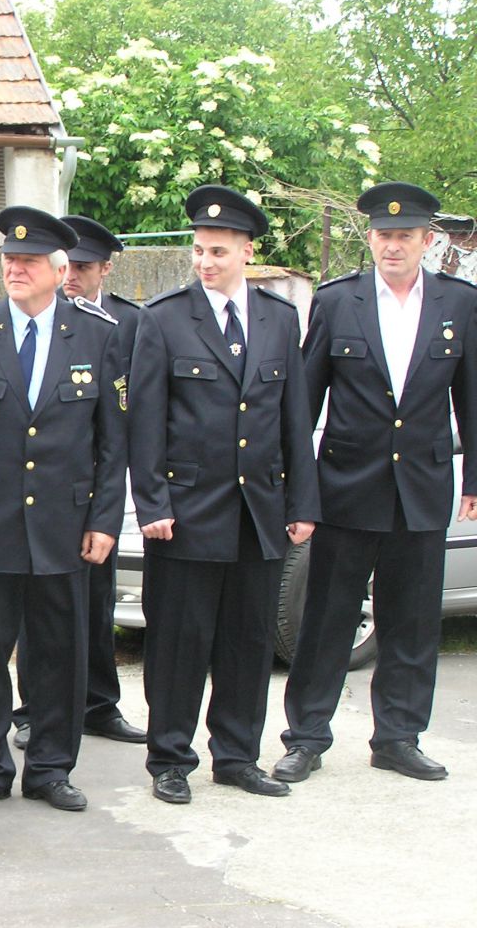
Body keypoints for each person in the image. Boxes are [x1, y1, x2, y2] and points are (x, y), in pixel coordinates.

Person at [275, 182, 477, 784]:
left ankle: (398, 737)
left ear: (427, 240)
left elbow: (471, 398)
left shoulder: (459, 303)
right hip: (346, 486)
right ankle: (306, 737)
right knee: (327, 620)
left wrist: (474, 479)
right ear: (370, 238)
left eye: (405, 236)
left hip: (422, 486)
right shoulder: (339, 301)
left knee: (412, 621)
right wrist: (298, 488)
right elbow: (303, 403)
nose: (394, 246)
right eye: (385, 236)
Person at [129, 185, 319, 805]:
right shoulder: (163, 317)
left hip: (258, 512)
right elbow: (145, 422)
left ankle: (236, 755)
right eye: (199, 250)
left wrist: (302, 503)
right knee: (178, 643)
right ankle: (170, 759)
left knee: (248, 642)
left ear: (246, 252)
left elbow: (294, 418)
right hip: (187, 513)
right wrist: (153, 504)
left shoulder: (278, 318)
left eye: (218, 251)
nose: (205, 261)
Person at [0, 206, 126, 815]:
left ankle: (50, 768)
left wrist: (103, 520)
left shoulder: (97, 335)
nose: (14, 269)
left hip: (64, 525)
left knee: (60, 655)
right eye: (9, 260)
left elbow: (112, 443)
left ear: (59, 269)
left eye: (27, 261)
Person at [11, 215, 146, 749]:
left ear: (103, 270)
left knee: (96, 603)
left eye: (83, 268)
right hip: (43, 493)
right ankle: (34, 709)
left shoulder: (126, 323)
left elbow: (123, 420)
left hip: (93, 493)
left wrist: (110, 507)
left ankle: (98, 704)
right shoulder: (29, 320)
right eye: (69, 267)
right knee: (37, 610)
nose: (73, 278)